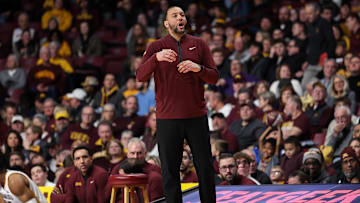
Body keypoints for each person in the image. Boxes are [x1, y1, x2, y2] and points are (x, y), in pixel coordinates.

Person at [137, 5, 218, 201]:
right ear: (167, 23)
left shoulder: (199, 44)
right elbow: (140, 76)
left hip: (196, 116)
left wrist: (198, 68)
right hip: (167, 118)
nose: (180, 18)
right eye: (175, 15)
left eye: (182, 15)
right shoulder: (156, 46)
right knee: (170, 171)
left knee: (205, 167)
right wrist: (156, 58)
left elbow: (214, 77)